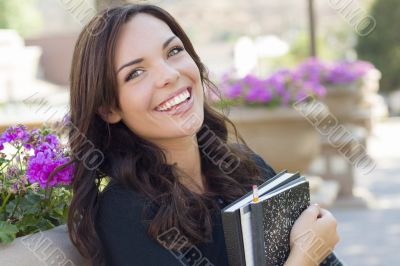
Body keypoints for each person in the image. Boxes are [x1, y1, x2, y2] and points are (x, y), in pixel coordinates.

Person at [66, 4, 341, 266]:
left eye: (173, 51)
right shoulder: (125, 212)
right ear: (109, 108)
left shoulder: (246, 169)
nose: (169, 75)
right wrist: (305, 254)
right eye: (136, 72)